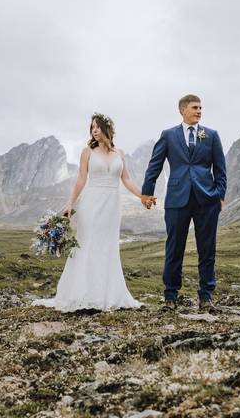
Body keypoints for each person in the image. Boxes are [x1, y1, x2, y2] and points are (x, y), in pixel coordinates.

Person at [32, 113, 148, 312]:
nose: (94, 130)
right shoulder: (87, 152)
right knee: (88, 245)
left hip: (112, 205)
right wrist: (70, 203)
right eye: (92, 127)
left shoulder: (119, 153)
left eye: (97, 126)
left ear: (107, 129)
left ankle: (107, 294)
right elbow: (80, 180)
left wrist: (143, 196)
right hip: (92, 203)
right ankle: (82, 294)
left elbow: (126, 180)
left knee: (108, 246)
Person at [142, 94, 226, 313]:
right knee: (174, 248)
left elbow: (220, 168)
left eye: (201, 108)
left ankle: (206, 297)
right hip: (177, 198)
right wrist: (146, 192)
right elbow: (155, 165)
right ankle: (170, 296)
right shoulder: (168, 135)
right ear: (182, 110)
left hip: (207, 199)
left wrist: (219, 195)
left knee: (207, 249)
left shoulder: (211, 135)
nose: (199, 111)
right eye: (195, 107)